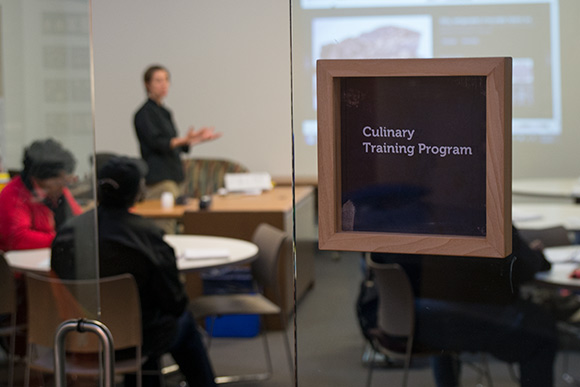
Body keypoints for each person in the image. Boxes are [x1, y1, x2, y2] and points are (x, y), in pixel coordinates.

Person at [51, 156, 216, 387]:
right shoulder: (147, 236)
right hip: (140, 337)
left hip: (79, 333)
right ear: (138, 192)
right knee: (183, 321)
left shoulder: (69, 233)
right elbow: (174, 301)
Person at [370, 227, 558, 387]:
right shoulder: (485, 214)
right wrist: (537, 256)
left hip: (403, 321)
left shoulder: (396, 219)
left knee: (444, 303)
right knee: (543, 331)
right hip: (452, 322)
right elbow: (524, 267)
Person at [133, 65, 221, 204]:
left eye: (166, 80)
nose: (164, 84)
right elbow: (159, 143)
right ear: (147, 84)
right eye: (158, 80)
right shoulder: (144, 114)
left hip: (175, 176)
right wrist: (185, 139)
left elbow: (177, 145)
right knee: (167, 222)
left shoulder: (165, 112)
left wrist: (198, 139)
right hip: (160, 180)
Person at [0, 138, 82, 252]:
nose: (63, 184)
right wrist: (63, 240)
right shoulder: (13, 195)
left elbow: (78, 221)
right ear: (38, 178)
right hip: (24, 265)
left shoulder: (59, 190)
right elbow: (18, 238)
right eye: (58, 179)